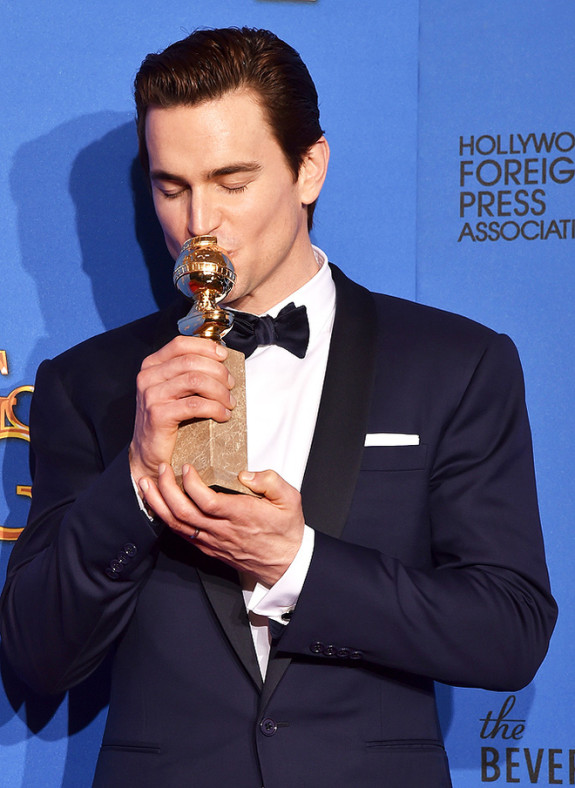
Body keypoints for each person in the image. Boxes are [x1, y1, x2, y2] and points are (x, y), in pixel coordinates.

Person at [0, 27, 556, 788]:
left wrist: (297, 564)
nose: (199, 223)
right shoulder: (89, 384)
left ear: (308, 169)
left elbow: (507, 632)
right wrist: (131, 481)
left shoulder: (453, 364)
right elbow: (37, 656)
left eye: (232, 183)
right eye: (171, 186)